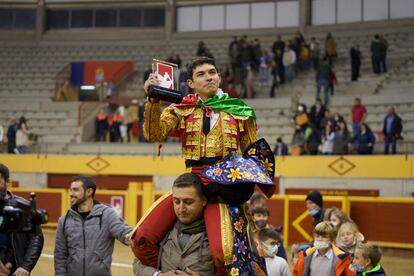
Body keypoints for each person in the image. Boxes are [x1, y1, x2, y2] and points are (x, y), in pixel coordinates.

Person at [133, 173, 214, 275]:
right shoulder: (164, 229)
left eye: (188, 202)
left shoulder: (217, 233)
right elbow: (138, 264)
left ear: (203, 200)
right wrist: (159, 275)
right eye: (176, 202)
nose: (181, 208)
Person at [54, 175, 132, 276]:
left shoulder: (107, 214)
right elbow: (60, 255)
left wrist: (130, 236)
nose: (71, 194)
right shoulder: (64, 220)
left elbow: (122, 230)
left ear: (89, 192)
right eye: (71, 190)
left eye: (75, 190)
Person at [0, 163, 44, 276]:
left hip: (16, 271)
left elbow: (36, 237)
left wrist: (26, 266)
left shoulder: (23, 206)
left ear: (7, 182)